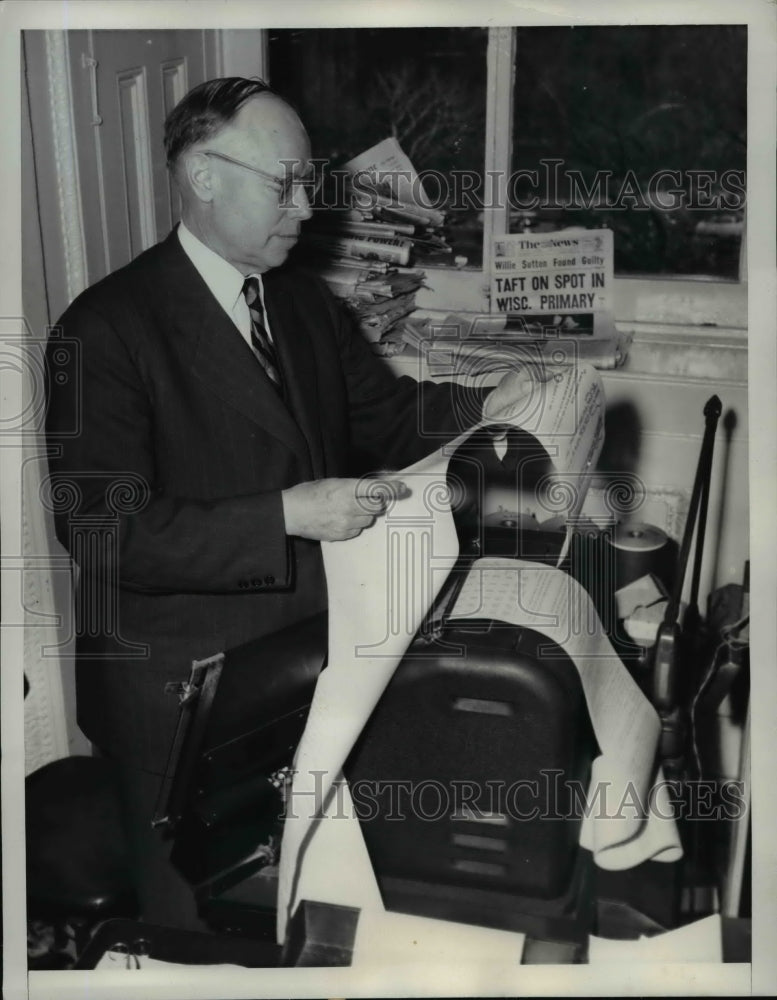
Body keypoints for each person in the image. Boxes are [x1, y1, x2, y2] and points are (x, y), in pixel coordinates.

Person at [45, 77, 539, 930]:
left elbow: (385, 419)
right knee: (195, 933)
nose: (307, 206)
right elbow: (103, 533)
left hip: (302, 661)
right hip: (176, 699)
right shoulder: (104, 328)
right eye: (286, 183)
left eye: (308, 182)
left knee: (303, 905)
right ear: (203, 175)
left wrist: (491, 405)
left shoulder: (301, 300)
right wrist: (284, 515)